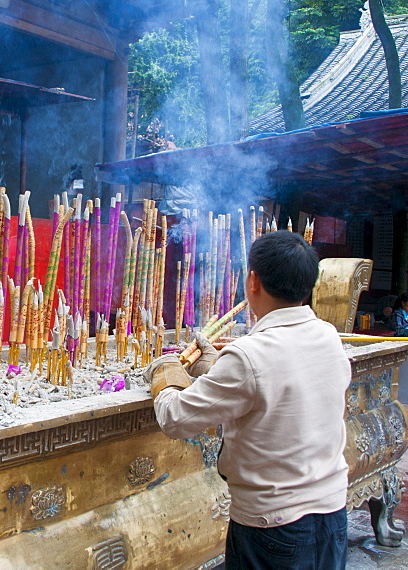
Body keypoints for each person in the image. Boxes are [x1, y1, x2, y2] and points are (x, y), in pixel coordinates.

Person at [146, 230, 350, 570]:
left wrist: (165, 373)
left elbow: (176, 418)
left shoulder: (250, 355)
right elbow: (281, 382)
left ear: (253, 281)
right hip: (331, 513)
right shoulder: (327, 335)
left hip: (273, 525)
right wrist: (216, 367)